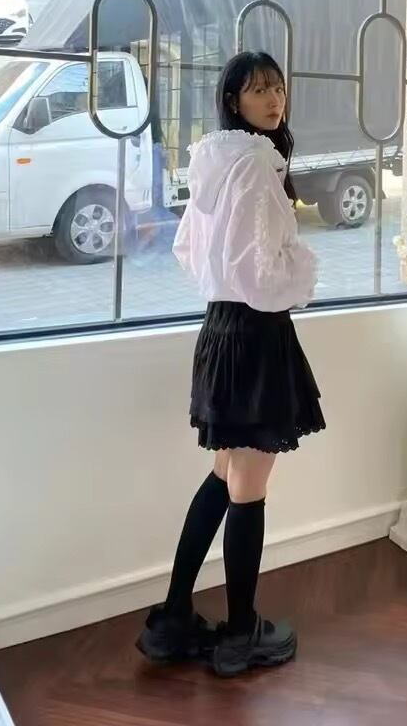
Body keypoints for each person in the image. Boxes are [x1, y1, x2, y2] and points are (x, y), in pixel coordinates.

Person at [136, 51, 325, 677]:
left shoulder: (216, 161)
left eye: (277, 88)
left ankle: (173, 619)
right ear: (233, 101)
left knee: (223, 477)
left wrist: (238, 281)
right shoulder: (255, 165)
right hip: (256, 335)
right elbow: (261, 274)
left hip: (221, 330)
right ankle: (241, 634)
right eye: (258, 90)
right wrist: (303, 268)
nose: (273, 100)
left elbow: (187, 248)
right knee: (248, 488)